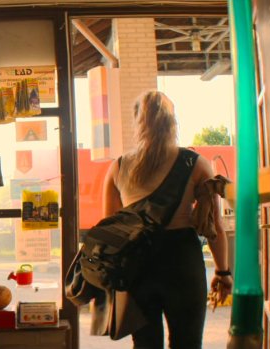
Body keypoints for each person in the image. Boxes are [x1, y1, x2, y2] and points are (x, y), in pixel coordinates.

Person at [100, 91, 232, 348]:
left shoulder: (118, 167)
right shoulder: (195, 163)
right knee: (188, 342)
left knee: (146, 344)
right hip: (182, 262)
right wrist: (223, 271)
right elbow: (214, 225)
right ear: (173, 122)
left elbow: (110, 229)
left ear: (138, 122)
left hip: (138, 264)